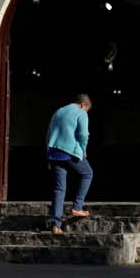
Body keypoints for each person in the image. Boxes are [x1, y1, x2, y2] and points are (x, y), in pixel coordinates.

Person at [44, 94, 93, 235]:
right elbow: (84, 134)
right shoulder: (81, 112)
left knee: (59, 188)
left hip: (53, 152)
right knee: (87, 173)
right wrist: (83, 150)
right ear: (83, 105)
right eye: (87, 110)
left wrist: (48, 152)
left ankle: (56, 225)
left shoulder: (59, 111)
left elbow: (49, 132)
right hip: (69, 151)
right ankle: (77, 206)